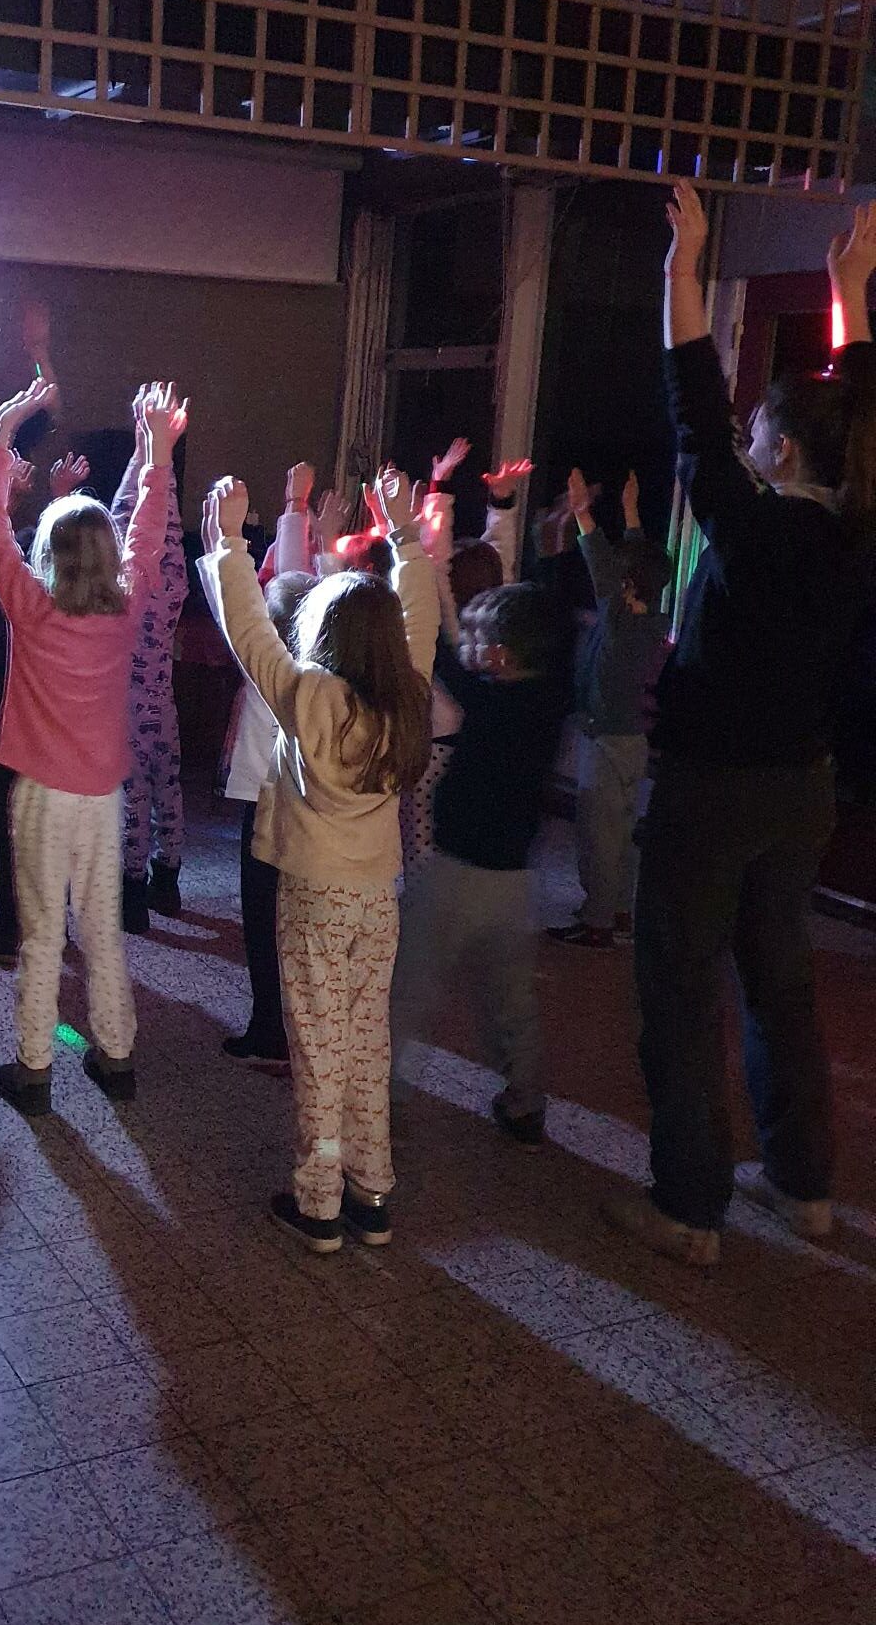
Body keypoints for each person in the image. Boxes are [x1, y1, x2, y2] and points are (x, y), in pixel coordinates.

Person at [605, 183, 876, 1266]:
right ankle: (803, 1187)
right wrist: (852, 296)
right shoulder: (858, 533)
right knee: (781, 984)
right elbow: (859, 413)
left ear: (784, 455)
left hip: (711, 789)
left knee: (679, 986)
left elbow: (690, 396)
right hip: (801, 791)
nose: (748, 430)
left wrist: (684, 265)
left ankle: (690, 1208)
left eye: (762, 427)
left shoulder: (752, 530)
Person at [202, 466, 436, 1251]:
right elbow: (423, 619)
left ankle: (320, 1202)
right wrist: (405, 536)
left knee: (318, 1047)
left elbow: (249, 633)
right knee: (366, 1038)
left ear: (326, 636)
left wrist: (229, 540)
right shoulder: (409, 699)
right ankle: (372, 1190)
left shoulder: (312, 700)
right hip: (378, 898)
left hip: (313, 895)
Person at [0, 378, 180, 1117]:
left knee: (40, 934)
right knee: (101, 928)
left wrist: (2, 433)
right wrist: (157, 451)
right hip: (102, 794)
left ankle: (34, 1069)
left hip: (40, 792)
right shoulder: (126, 608)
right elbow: (149, 532)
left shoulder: (31, 607)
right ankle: (117, 1056)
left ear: (51, 555)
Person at [392, 580, 573, 1148]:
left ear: (503, 651)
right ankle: (526, 1102)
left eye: (481, 639)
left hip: (456, 873)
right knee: (510, 998)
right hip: (515, 882)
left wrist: (422, 576)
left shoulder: (497, 701)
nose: (472, 647)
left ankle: (381, 1099)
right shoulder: (548, 701)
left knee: (410, 985)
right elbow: (456, 657)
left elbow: (444, 659)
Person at [0, 450, 90, 970]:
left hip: (17, 729)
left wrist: (3, 504)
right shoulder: (87, 604)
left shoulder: (23, 602)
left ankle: (13, 930)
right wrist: (56, 499)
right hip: (64, 734)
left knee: (15, 831)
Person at [548, 468, 671, 951]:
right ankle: (620, 910)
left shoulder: (620, 623)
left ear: (626, 584)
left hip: (606, 743)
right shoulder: (649, 619)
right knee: (620, 831)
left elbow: (600, 564)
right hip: (631, 742)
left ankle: (597, 920)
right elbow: (629, 565)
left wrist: (583, 514)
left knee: (597, 835)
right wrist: (630, 513)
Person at [401, 447, 527, 873]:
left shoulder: (451, 618)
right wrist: (502, 503)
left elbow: (435, 558)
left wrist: (439, 487)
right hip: (482, 741)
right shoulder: (499, 614)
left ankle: (422, 899)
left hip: (436, 739)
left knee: (421, 839)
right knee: (460, 838)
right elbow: (500, 556)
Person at [219, 570, 314, 1067]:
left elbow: (231, 606)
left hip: (262, 802)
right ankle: (298, 1026)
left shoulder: (262, 667)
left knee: (261, 917)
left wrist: (224, 546)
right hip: (306, 805)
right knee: (296, 919)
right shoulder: (320, 675)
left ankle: (268, 1028)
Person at [113, 407, 189, 933]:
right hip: (163, 703)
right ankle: (168, 878)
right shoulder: (174, 585)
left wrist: (147, 446)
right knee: (169, 788)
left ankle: (133, 892)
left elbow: (127, 518)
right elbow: (168, 530)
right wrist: (158, 449)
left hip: (129, 710)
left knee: (135, 796)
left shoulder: (125, 590)